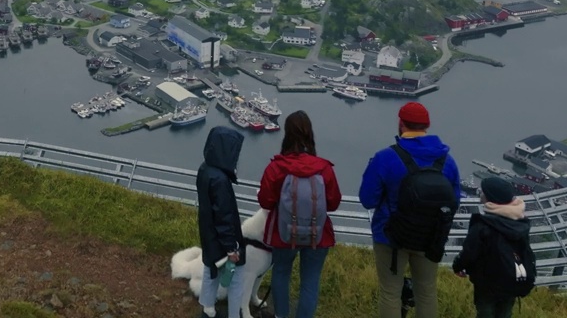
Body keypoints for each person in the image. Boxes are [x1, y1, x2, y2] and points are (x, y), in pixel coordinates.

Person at [359, 102, 462, 318]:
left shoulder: (385, 158)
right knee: (426, 292)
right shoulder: (447, 161)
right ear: (427, 126)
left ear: (401, 124)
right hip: (429, 238)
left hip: (391, 237)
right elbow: (454, 201)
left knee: (390, 292)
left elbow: (368, 199)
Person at [257, 110, 342, 318]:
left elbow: (265, 201)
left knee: (281, 273)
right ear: (310, 134)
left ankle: (281, 316)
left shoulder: (276, 167)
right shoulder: (324, 168)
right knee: (310, 281)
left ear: (286, 133)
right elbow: (333, 203)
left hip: (283, 232)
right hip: (318, 234)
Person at [453, 177, 534, 318]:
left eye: (483, 192)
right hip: (511, 278)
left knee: (485, 311)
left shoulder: (483, 226)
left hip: (487, 280)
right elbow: (525, 252)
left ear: (491, 199)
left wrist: (457, 266)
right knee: (505, 312)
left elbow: (469, 252)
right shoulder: (521, 224)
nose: (481, 194)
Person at [197, 125, 246, 318]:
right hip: (223, 238)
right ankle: (235, 314)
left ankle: (207, 307)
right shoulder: (220, 180)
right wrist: (231, 249)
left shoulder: (205, 169)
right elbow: (224, 217)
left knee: (211, 269)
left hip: (208, 234)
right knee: (237, 277)